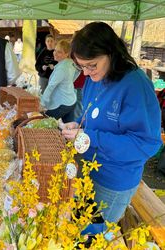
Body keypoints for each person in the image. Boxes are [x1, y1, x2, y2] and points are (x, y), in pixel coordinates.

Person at [62, 22, 162, 223]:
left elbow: (145, 144)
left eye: (92, 65)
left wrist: (91, 137)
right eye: (82, 66)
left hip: (113, 181)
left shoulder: (135, 85)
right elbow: (96, 120)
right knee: (77, 228)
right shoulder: (94, 77)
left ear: (111, 53)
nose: (86, 73)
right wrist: (80, 127)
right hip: (88, 168)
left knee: (95, 236)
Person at [41, 39, 79, 123]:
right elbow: (78, 71)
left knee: (44, 123)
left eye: (59, 52)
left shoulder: (62, 68)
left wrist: (42, 103)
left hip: (62, 103)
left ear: (66, 54)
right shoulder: (70, 62)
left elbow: (51, 86)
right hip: (71, 101)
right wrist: (68, 82)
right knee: (68, 130)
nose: (55, 53)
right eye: (55, 50)